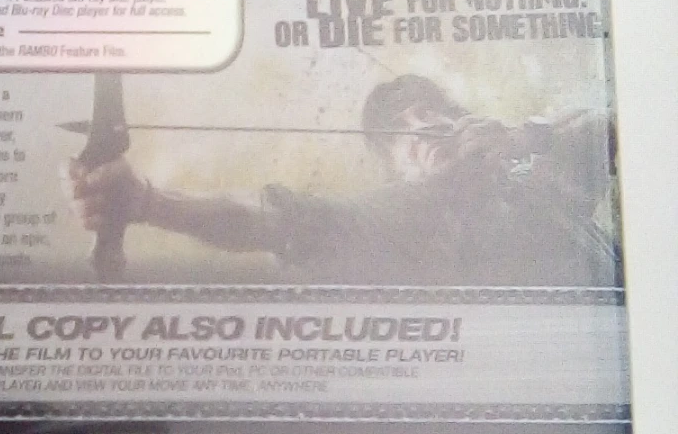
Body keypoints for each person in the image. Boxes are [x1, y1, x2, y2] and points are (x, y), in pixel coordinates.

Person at [65, 74, 620, 286]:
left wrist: (525, 138)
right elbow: (274, 223)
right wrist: (148, 203)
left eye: (433, 112)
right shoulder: (392, 220)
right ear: (395, 169)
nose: (424, 126)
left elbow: (610, 123)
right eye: (402, 131)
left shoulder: (527, 179)